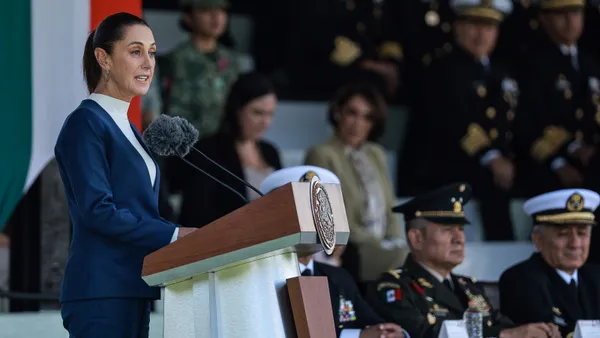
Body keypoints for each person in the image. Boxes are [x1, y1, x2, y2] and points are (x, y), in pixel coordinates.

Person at [54, 13, 196, 338]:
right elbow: (98, 211)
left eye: (153, 52)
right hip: (101, 289)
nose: (147, 63)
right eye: (135, 51)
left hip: (133, 285)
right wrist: (174, 235)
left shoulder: (130, 127)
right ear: (103, 58)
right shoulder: (86, 123)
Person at [366, 183, 561, 338]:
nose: (459, 239)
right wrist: (503, 335)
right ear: (417, 238)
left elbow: (502, 325)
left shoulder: (469, 286)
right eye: (447, 230)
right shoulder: (394, 287)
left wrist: (535, 332)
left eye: (460, 229)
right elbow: (423, 333)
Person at [406, 0, 518, 241]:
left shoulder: (501, 72)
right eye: (475, 24)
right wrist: (492, 157)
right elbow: (452, 122)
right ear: (458, 26)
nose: (482, 34)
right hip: (448, 167)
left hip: (491, 167)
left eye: (489, 26)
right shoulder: (440, 68)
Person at [259, 165, 407, 338]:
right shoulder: (259, 278)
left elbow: (376, 325)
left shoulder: (338, 277)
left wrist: (396, 334)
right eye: (306, 210)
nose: (318, 220)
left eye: (324, 210)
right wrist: (356, 336)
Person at [304, 82, 409, 284]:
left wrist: (395, 240)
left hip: (384, 245)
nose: (358, 123)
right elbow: (330, 215)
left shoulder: (376, 153)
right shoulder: (321, 154)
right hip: (351, 248)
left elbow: (391, 206)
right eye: (352, 113)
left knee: (413, 255)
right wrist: (382, 245)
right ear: (337, 113)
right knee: (409, 259)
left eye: (367, 117)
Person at [170, 71, 281, 227]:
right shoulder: (208, 151)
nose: (266, 122)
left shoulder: (270, 151)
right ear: (237, 109)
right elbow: (196, 215)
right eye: (258, 113)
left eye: (271, 114)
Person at [499, 189, 600, 338]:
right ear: (538, 240)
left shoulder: (596, 276)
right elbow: (548, 333)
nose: (575, 244)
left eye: (582, 233)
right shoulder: (520, 279)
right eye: (563, 234)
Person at [164, 0, 241, 138]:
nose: (216, 17)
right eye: (206, 11)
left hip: (226, 143)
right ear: (188, 17)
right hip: (189, 144)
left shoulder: (232, 61)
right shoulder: (175, 60)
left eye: (221, 11)